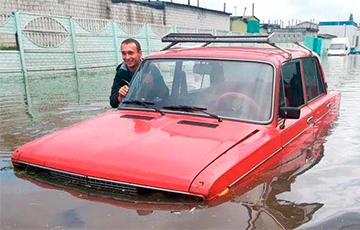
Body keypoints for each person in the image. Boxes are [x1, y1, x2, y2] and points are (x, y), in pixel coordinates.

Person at [110, 38, 143, 108]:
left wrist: (150, 84)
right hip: (130, 110)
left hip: (149, 110)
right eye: (124, 53)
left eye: (130, 53)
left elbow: (165, 94)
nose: (127, 57)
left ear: (140, 53)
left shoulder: (150, 68)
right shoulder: (121, 71)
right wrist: (120, 97)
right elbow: (113, 102)